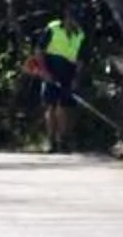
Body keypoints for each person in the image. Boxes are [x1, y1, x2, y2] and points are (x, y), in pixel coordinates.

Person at [35, 14, 86, 152]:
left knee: (65, 107)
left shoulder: (80, 34)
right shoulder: (53, 28)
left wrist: (76, 78)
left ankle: (63, 140)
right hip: (51, 67)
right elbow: (39, 50)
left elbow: (80, 59)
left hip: (68, 72)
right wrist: (45, 72)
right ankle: (51, 140)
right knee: (51, 106)